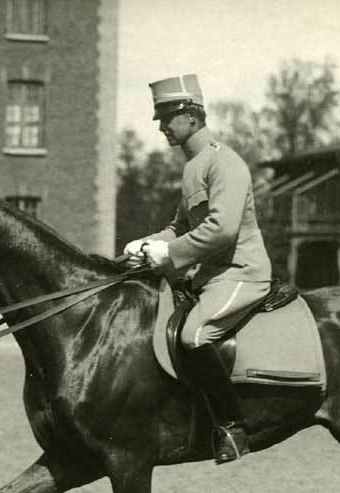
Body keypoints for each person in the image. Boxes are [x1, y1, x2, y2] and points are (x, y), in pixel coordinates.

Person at [124, 74, 272, 464]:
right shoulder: (194, 166)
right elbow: (180, 227)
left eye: (167, 115)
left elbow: (222, 230)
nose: (161, 126)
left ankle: (232, 428)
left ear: (191, 115)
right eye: (159, 117)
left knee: (194, 334)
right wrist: (144, 244)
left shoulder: (225, 162)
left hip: (242, 272)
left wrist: (168, 253)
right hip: (209, 276)